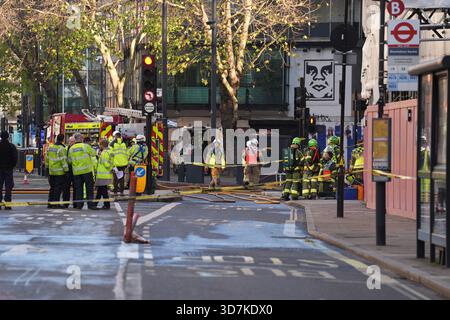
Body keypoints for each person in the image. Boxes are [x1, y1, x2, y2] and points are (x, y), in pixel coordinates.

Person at [68, 133, 98, 210]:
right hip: (87, 171)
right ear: (81, 138)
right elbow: (94, 153)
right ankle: (90, 205)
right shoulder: (86, 146)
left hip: (77, 172)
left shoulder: (71, 148)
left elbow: (69, 161)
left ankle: (79, 205)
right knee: (89, 189)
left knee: (78, 189)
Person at [45, 134, 69, 208]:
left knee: (52, 188)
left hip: (51, 171)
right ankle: (56, 204)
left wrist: (47, 169)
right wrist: (67, 171)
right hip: (59, 172)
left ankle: (50, 203)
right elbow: (63, 161)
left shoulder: (50, 148)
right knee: (58, 189)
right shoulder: (61, 149)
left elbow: (47, 159)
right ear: (63, 140)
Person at [0, 131, 17, 210]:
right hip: (8, 169)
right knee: (8, 187)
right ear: (8, 137)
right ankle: (7, 204)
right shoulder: (11, 146)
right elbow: (15, 158)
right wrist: (11, 166)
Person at [95, 139, 113, 210]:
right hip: (106, 174)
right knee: (100, 190)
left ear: (102, 145)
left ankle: (107, 205)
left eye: (100, 145)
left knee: (103, 191)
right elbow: (111, 162)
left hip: (102, 175)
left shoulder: (104, 153)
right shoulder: (110, 151)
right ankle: (95, 204)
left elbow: (106, 164)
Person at [110, 131, 128, 196]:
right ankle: (122, 192)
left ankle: (115, 192)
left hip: (115, 164)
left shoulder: (112, 144)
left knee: (115, 178)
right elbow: (127, 153)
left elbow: (110, 154)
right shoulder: (124, 144)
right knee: (121, 178)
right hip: (123, 164)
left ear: (115, 136)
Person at [63, 135, 76, 208]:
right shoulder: (65, 148)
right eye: (70, 141)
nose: (71, 143)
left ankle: (75, 203)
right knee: (66, 188)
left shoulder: (76, 149)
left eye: (73, 141)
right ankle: (66, 203)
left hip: (75, 170)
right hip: (67, 171)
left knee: (76, 188)